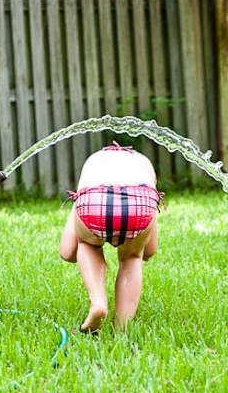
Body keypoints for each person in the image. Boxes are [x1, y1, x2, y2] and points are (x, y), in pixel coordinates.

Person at [59, 142, 164, 333]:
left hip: (94, 198)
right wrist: (136, 251)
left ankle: (98, 301)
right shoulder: (143, 166)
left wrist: (85, 240)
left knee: (88, 245)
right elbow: (150, 251)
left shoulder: (94, 164)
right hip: (139, 201)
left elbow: (67, 252)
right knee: (132, 257)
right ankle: (122, 328)